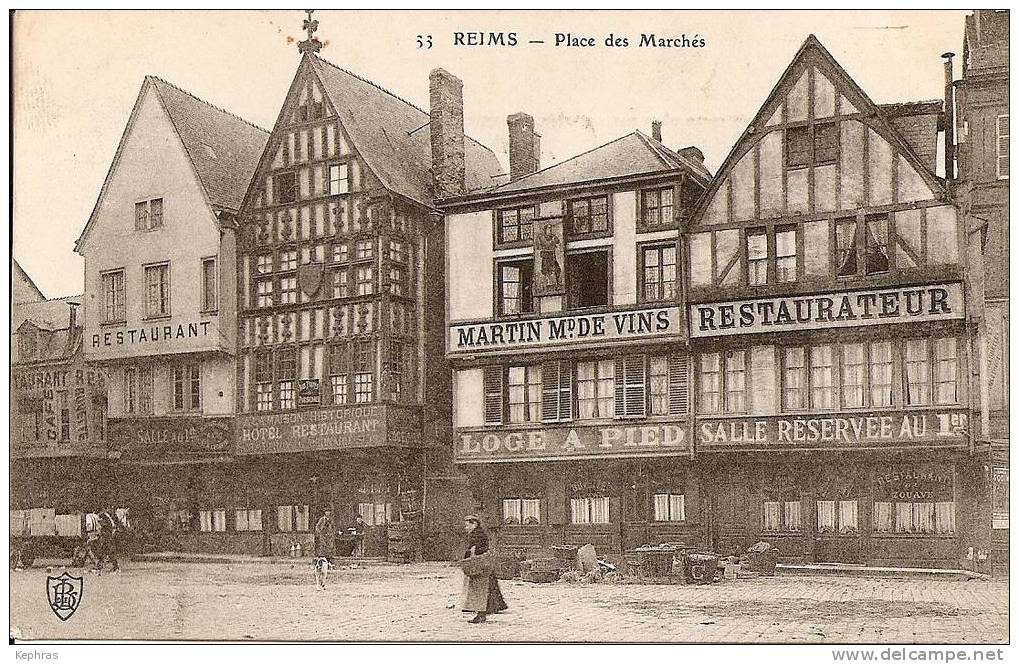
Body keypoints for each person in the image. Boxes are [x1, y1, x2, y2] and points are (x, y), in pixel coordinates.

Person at [461, 515, 507, 624]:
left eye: (467, 526)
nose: (466, 528)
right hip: (483, 565)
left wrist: (471, 554)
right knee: (488, 588)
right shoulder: (478, 533)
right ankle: (489, 609)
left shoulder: (477, 535)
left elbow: (477, 550)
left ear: (474, 524)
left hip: (480, 565)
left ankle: (481, 614)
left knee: (481, 590)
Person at [313, 508, 335, 590]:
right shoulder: (322, 519)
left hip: (328, 537)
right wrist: (320, 533)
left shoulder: (331, 520)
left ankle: (328, 561)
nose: (328, 513)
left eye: (329, 511)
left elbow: (332, 527)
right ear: (325, 512)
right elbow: (317, 527)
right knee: (323, 548)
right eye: (326, 511)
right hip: (323, 536)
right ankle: (323, 560)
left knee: (329, 548)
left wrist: (331, 533)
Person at [97, 506, 120, 574]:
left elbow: (103, 525)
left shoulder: (103, 515)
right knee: (104, 551)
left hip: (107, 535)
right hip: (108, 535)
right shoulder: (107, 515)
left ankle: (116, 568)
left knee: (109, 551)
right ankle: (99, 567)